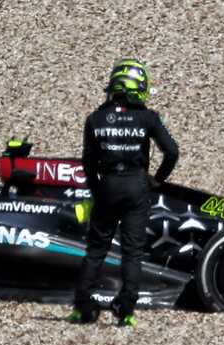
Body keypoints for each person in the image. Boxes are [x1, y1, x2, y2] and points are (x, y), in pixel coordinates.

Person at [70, 58, 181, 327]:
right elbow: (172, 151)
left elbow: (88, 162)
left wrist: (96, 189)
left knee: (96, 250)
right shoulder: (148, 117)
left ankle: (83, 307)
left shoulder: (95, 118)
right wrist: (157, 179)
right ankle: (125, 309)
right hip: (136, 186)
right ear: (139, 87)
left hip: (107, 186)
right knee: (132, 252)